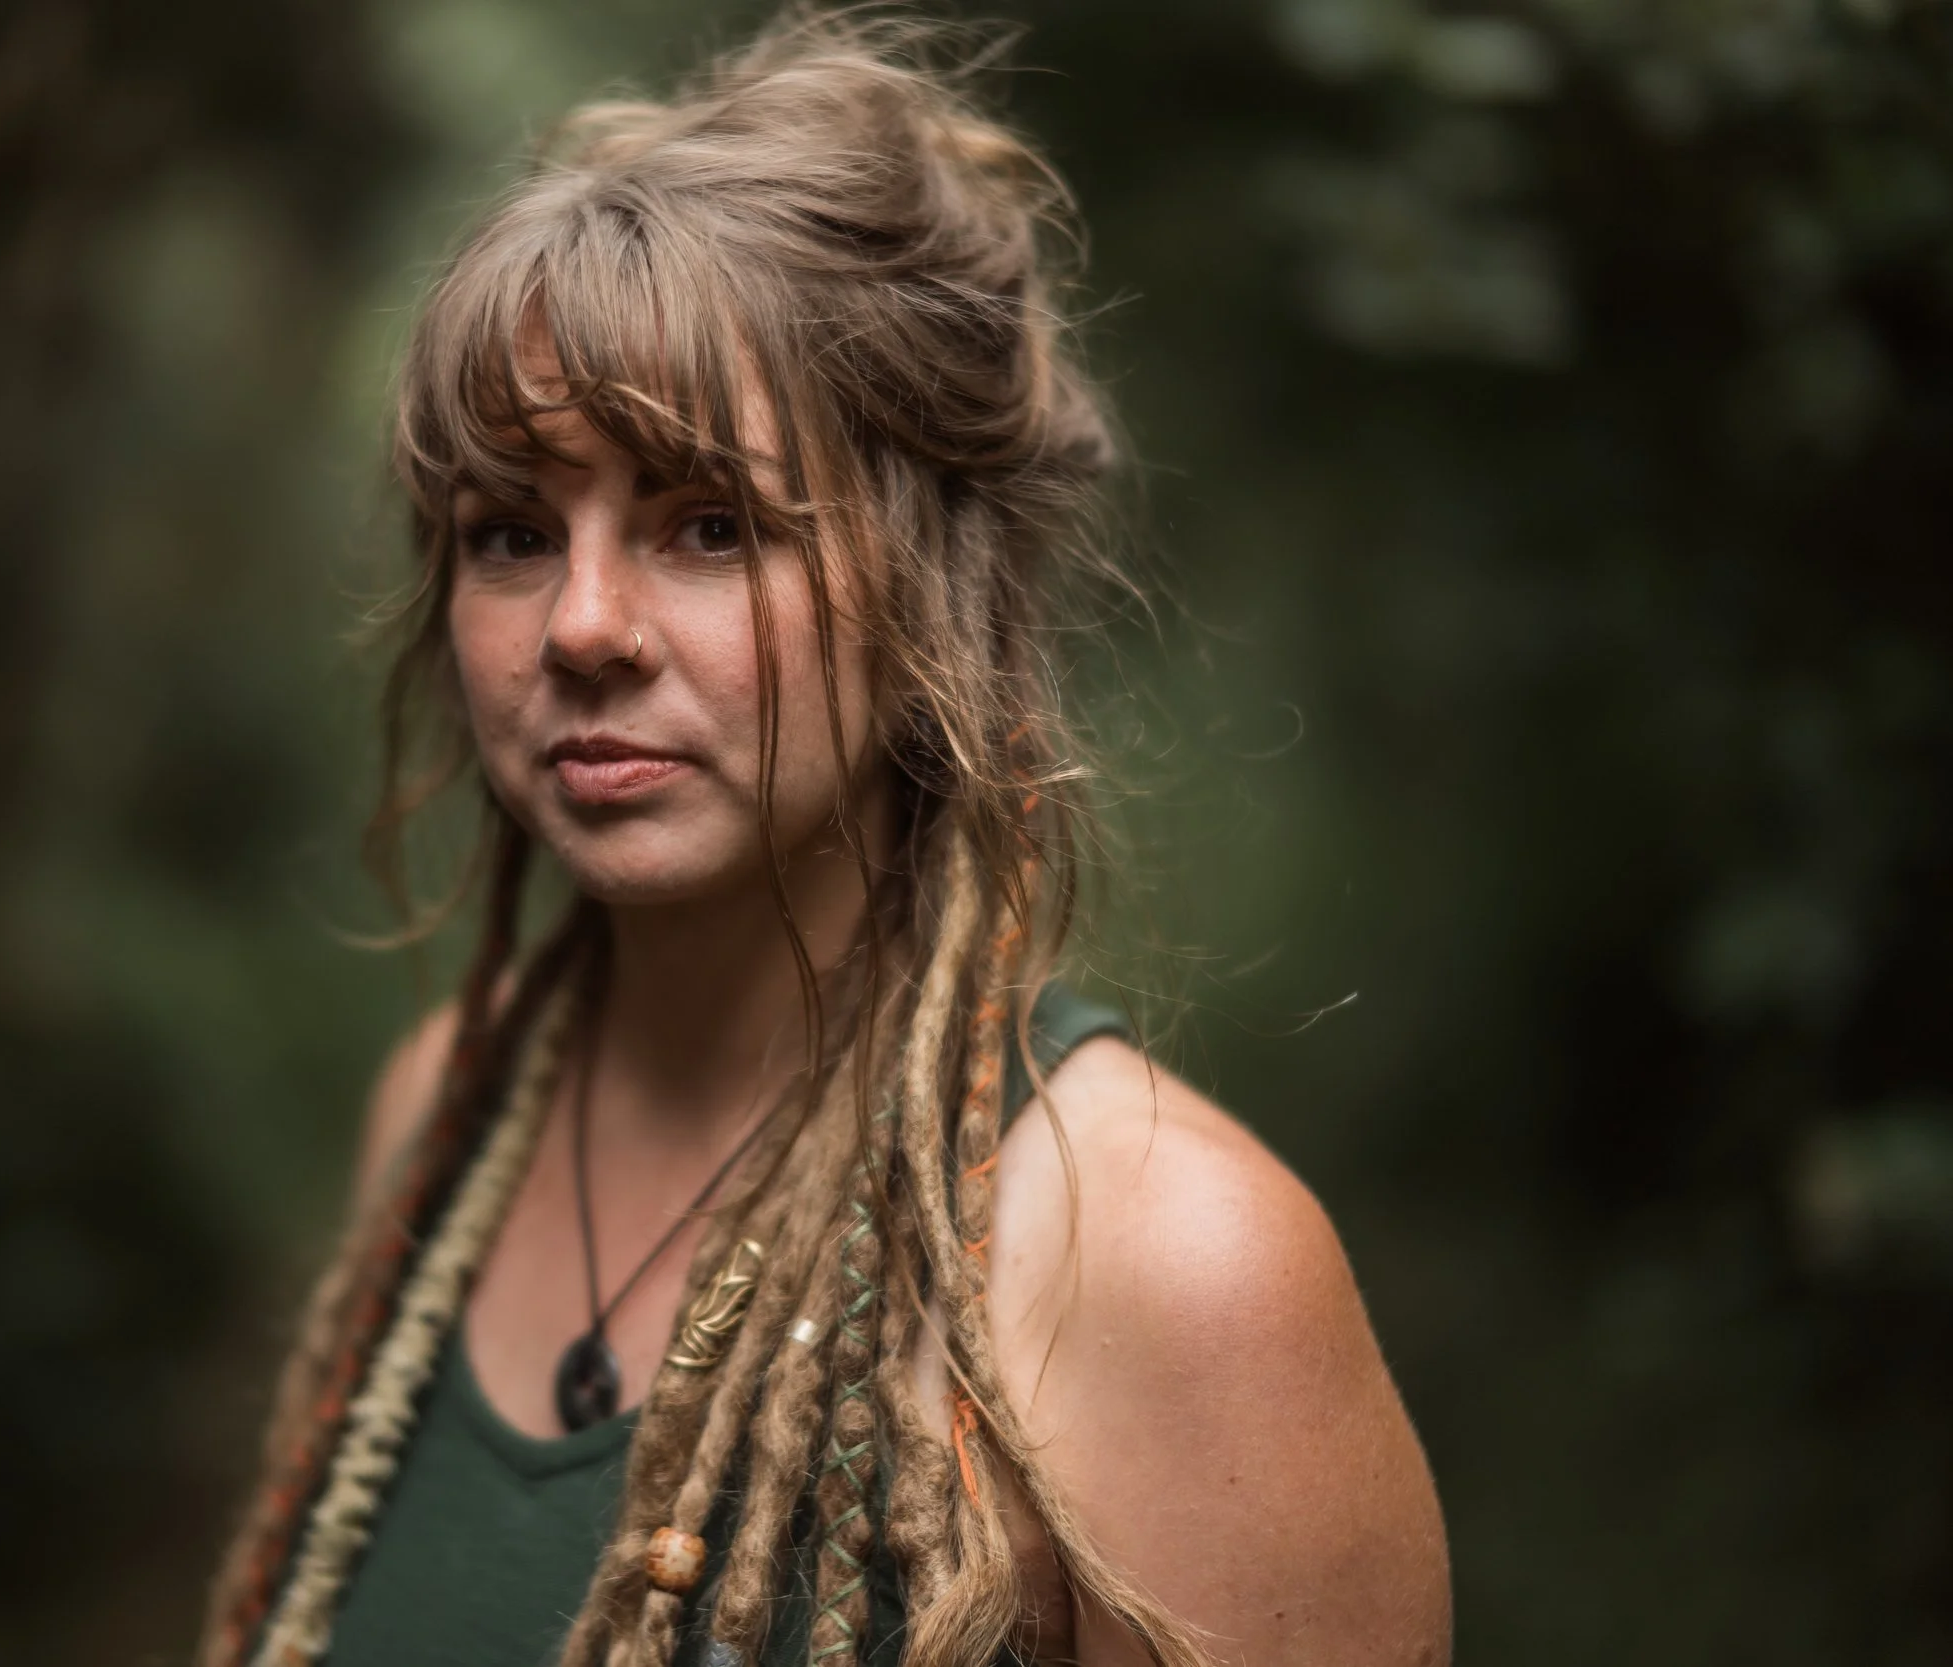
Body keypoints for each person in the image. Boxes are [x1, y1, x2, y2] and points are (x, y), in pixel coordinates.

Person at [201, 13, 1449, 1667]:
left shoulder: (1169, 1266)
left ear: (929, 590)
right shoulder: (442, 1117)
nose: (582, 623)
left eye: (707, 524)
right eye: (510, 531)